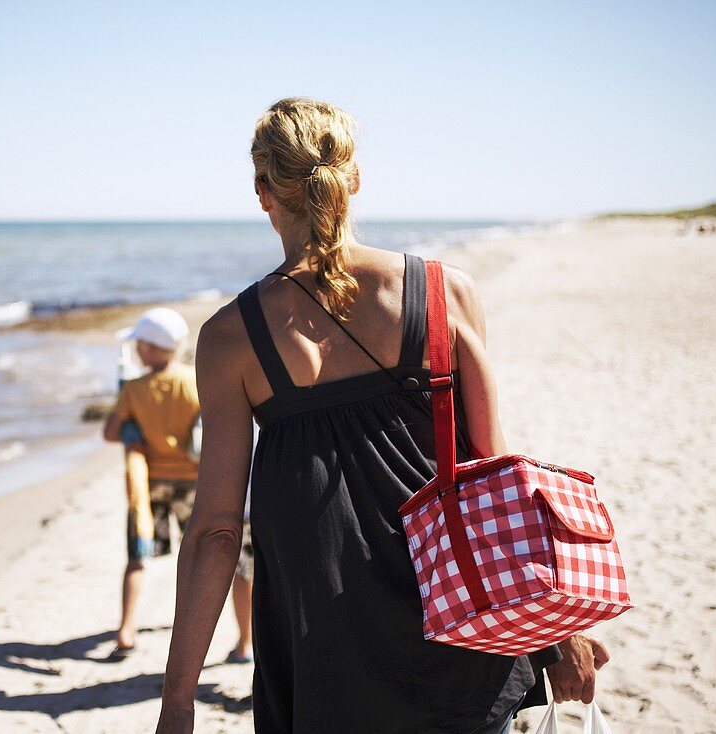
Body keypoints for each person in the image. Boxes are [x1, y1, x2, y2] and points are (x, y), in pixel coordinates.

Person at [156, 98, 610, 733]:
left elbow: (215, 533)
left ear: (263, 191)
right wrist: (563, 632)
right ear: (354, 178)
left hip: (323, 663)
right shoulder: (445, 292)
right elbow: (501, 478)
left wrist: (178, 701)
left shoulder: (231, 338)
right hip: (460, 645)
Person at [103, 307, 200, 660]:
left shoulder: (134, 389)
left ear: (152, 348)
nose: (136, 352)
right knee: (196, 559)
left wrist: (133, 428)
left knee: (137, 556)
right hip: (193, 483)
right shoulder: (195, 381)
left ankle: (127, 629)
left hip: (149, 485)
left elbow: (110, 432)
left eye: (140, 345)